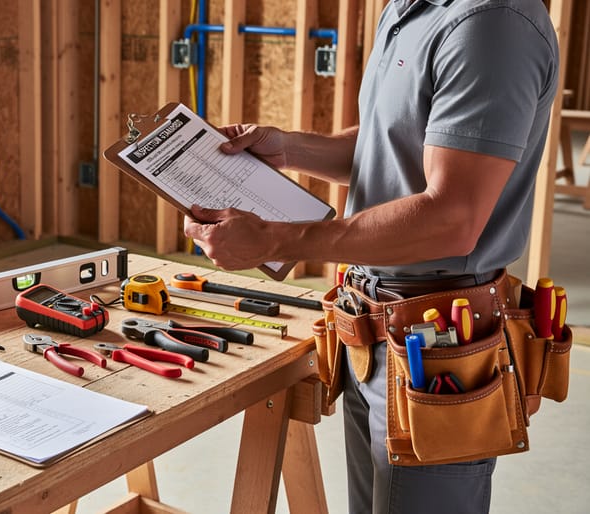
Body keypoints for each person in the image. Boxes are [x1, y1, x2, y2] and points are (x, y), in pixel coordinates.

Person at [183, 1, 559, 513]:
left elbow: (453, 218)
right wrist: (290, 149)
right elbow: (398, 142)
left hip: (440, 334)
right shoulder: (406, 9)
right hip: (368, 323)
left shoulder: (492, 23)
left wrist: (277, 240)